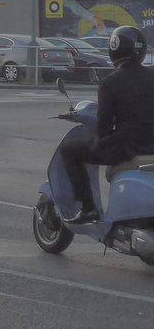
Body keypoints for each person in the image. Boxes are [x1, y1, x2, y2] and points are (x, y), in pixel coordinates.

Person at [58, 25, 154, 224]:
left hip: (127, 147)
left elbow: (103, 126)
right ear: (142, 50)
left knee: (70, 149)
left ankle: (89, 208)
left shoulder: (109, 83)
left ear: (114, 48)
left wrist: (104, 136)